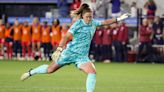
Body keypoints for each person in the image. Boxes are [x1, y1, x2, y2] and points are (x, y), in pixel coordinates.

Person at [20, 3, 130, 92]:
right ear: (82, 16)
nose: (89, 19)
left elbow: (105, 22)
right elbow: (66, 36)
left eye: (91, 16)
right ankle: (31, 72)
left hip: (81, 57)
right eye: (87, 17)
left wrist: (119, 18)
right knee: (50, 70)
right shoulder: (77, 24)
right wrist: (59, 49)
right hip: (69, 53)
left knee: (92, 72)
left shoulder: (93, 23)